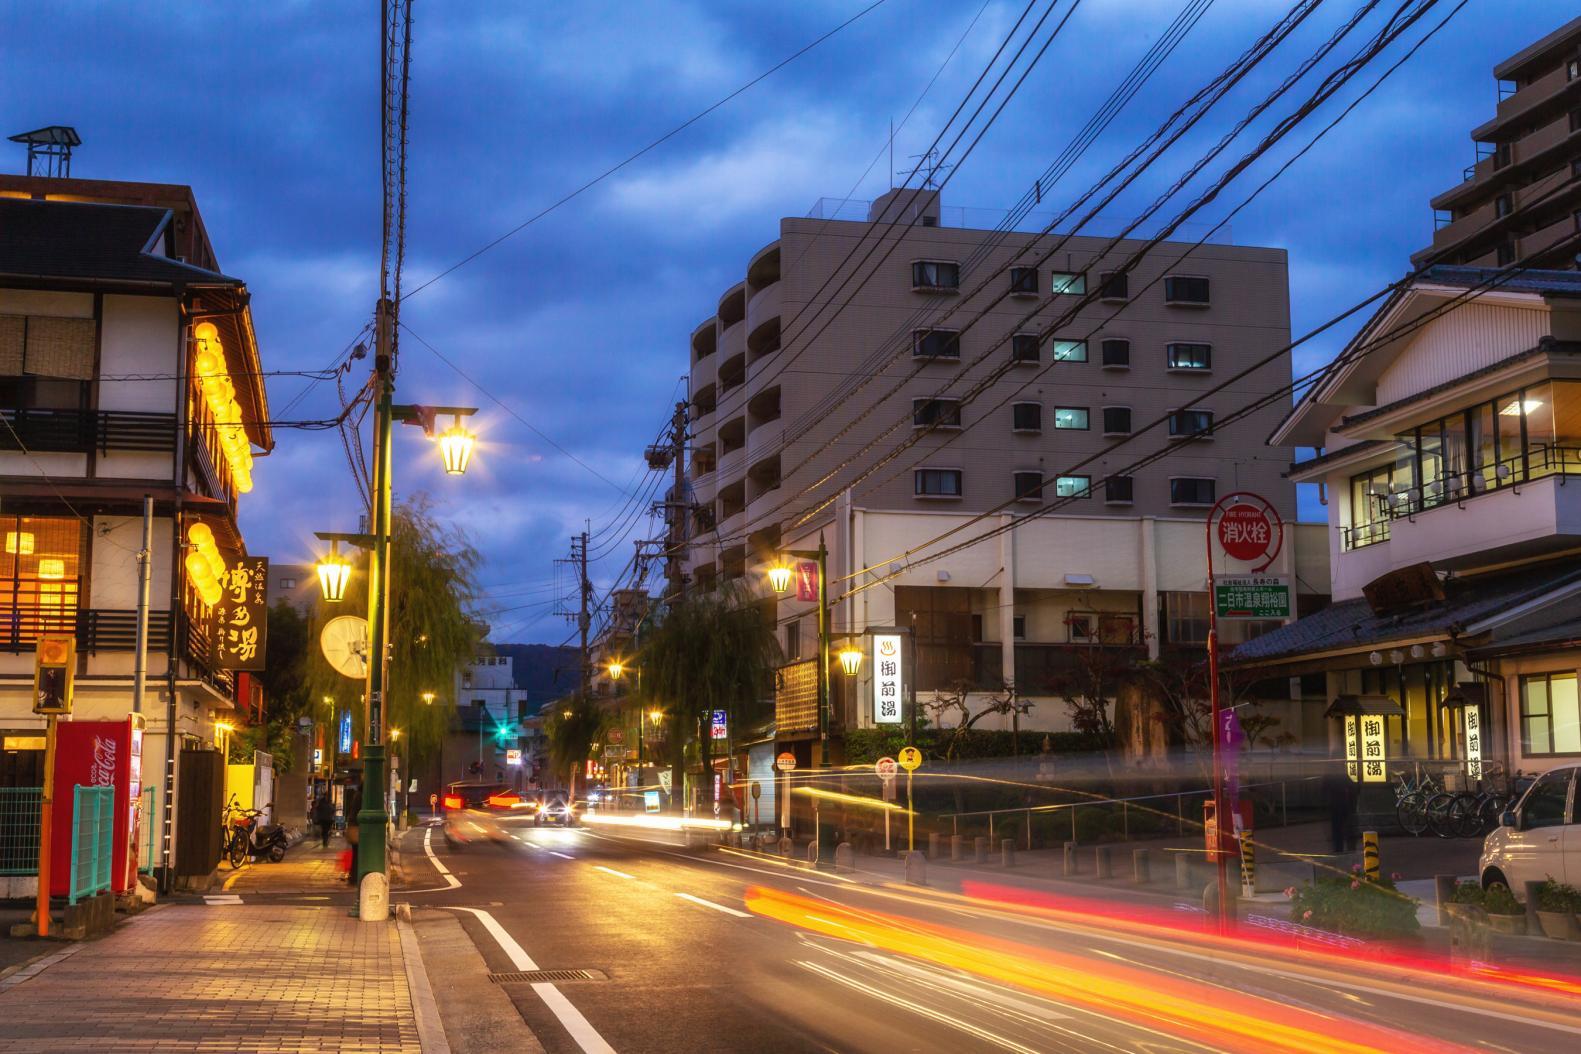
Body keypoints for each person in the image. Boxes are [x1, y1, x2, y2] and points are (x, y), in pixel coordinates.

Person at [1322, 758, 1359, 854]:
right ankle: (1351, 847)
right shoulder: (1343, 774)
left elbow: (1324, 789)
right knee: (1348, 826)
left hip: (1334, 804)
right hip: (1344, 803)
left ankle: (1338, 848)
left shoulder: (1328, 775)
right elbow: (1353, 787)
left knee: (1337, 828)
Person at [343, 779, 363, 885]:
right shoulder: (361, 797)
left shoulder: (357, 795)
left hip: (353, 827)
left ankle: (353, 876)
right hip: (357, 829)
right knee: (358, 854)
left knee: (356, 854)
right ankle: (355, 877)